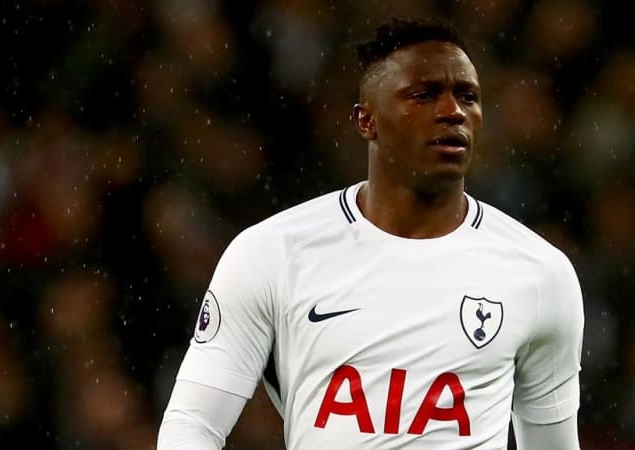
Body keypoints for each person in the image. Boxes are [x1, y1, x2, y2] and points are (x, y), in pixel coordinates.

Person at [157, 17, 584, 450]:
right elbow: (193, 424)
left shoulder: (540, 275)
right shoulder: (272, 253)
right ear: (367, 120)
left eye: (467, 96)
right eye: (424, 95)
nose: (452, 112)